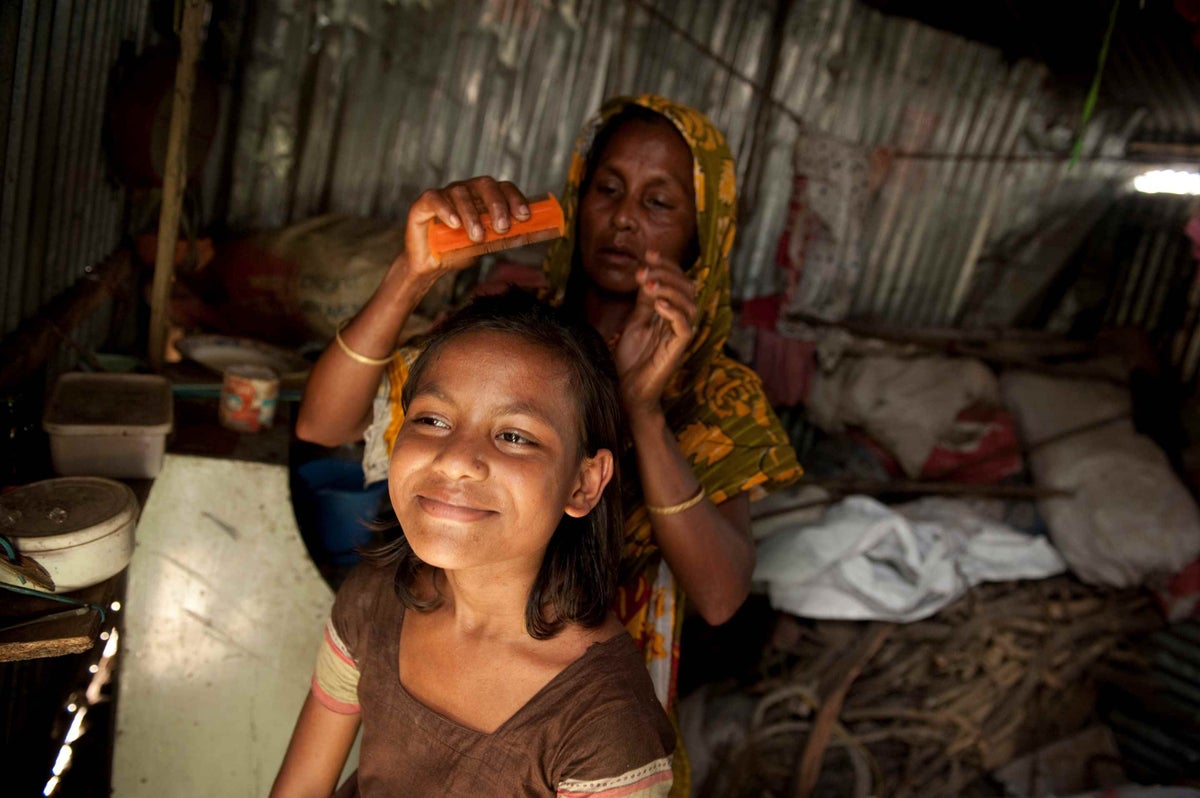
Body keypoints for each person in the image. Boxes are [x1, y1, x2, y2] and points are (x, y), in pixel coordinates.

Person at [296, 96, 802, 787]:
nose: (624, 219)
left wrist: (642, 413)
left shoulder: (719, 395)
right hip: (455, 620)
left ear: (701, 234)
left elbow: (718, 596)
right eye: (608, 189)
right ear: (577, 194)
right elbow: (322, 426)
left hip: (583, 687)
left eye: (660, 203)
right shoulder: (504, 341)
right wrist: (413, 272)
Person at [273, 291, 675, 797]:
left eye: (514, 436)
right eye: (433, 420)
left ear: (584, 484)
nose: (455, 460)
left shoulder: (605, 723)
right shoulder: (374, 598)